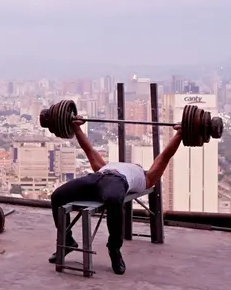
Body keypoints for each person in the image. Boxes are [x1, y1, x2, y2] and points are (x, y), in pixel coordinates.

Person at [48, 118, 184, 275]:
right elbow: (89, 150)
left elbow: (164, 156)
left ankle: (114, 249)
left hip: (117, 182)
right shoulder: (106, 166)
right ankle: (68, 241)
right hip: (96, 177)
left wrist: (179, 135)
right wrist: (76, 127)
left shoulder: (145, 178)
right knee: (57, 196)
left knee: (113, 199)